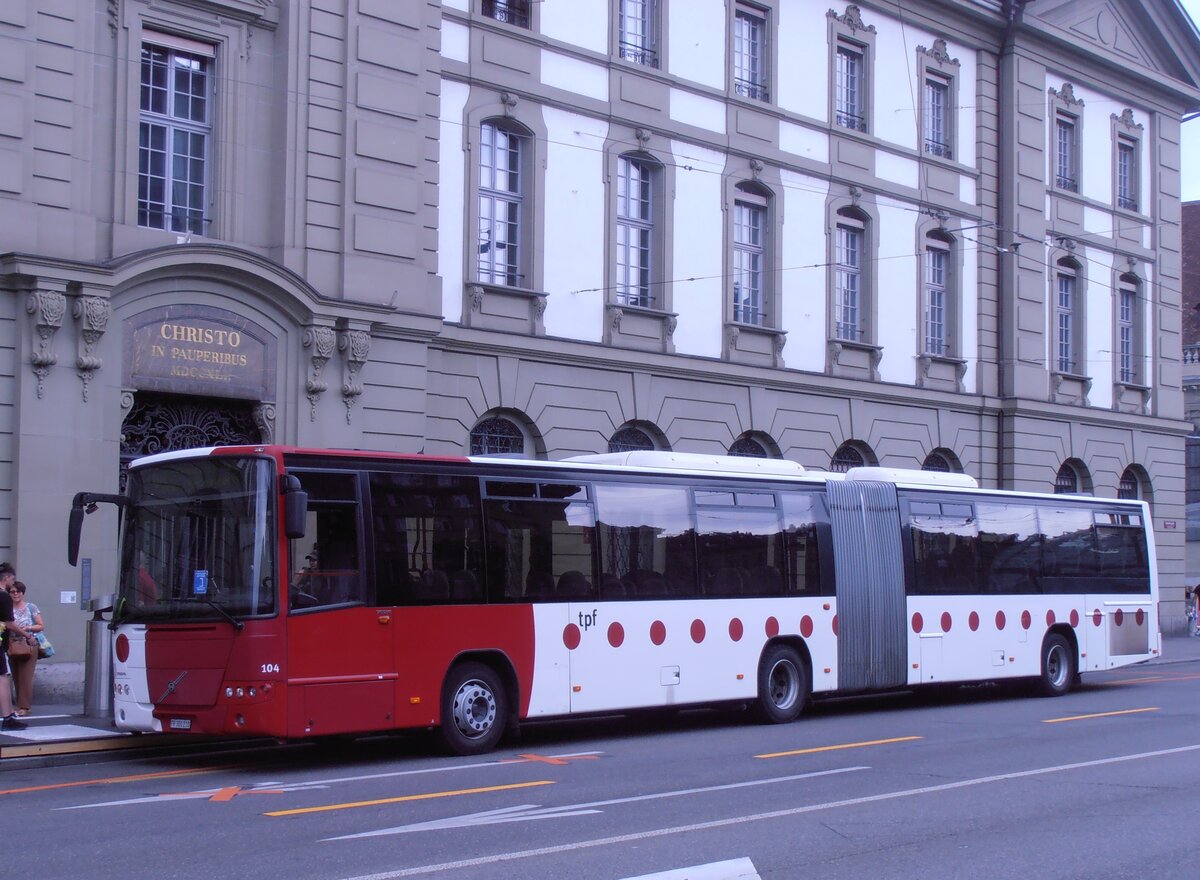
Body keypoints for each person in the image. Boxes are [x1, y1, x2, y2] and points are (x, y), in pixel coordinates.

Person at [0, 562, 28, 730]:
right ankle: (8, 716)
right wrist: (27, 636)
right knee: (3, 678)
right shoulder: (3, 596)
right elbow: (10, 623)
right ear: (8, 578)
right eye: (12, 579)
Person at [8, 581, 42, 715]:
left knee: (26, 676)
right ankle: (19, 705)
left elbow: (40, 625)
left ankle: (25, 707)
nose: (16, 594)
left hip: (29, 644)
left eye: (18, 591)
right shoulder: (6, 608)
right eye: (12, 592)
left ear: (23, 593)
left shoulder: (31, 607)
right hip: (11, 644)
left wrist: (27, 628)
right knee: (15, 676)